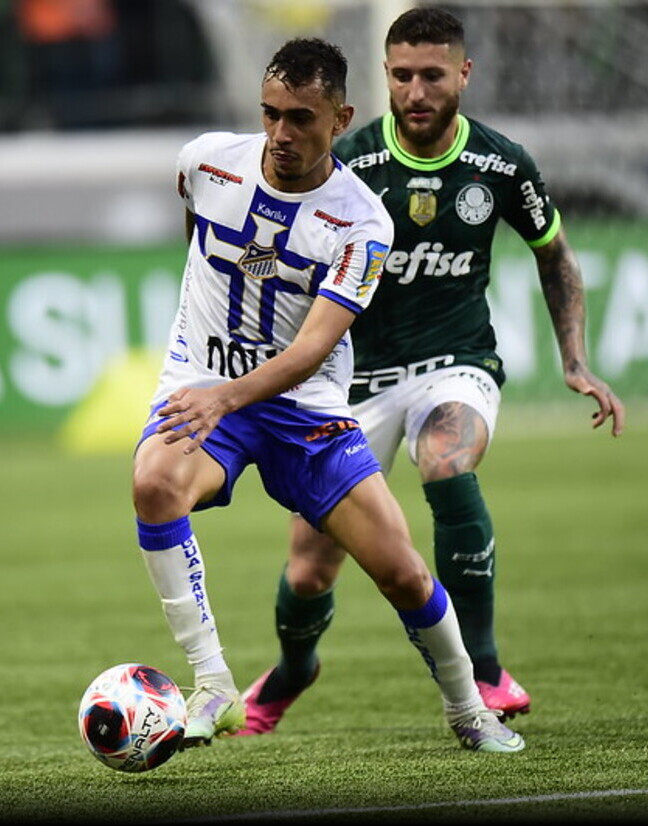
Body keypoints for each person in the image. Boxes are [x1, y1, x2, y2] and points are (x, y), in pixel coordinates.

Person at [236, 7, 626, 737]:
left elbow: (555, 254)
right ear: (385, 77)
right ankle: (293, 670)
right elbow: (274, 252)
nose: (417, 91)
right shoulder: (347, 163)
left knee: (445, 460)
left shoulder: (502, 165)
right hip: (354, 383)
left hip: (457, 364)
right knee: (309, 570)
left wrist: (576, 362)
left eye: (433, 75)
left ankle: (482, 670)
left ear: (463, 75)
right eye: (403, 75)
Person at [132, 36, 525, 754]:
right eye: (270, 113)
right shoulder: (205, 161)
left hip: (303, 411)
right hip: (205, 385)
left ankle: (470, 709)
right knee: (155, 484)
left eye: (301, 119)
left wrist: (227, 397)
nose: (281, 133)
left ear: (340, 118)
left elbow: (313, 348)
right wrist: (205, 366)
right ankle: (213, 681)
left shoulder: (362, 223)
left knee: (403, 573)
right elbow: (204, 247)